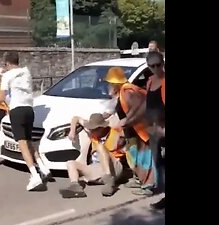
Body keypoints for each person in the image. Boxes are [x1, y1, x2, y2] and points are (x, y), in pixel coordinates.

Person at [0, 51, 52, 191]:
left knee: (22, 144)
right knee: (29, 141)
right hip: (29, 109)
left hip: (17, 110)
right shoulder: (26, 72)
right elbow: (14, 73)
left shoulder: (7, 76)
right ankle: (43, 167)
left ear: (7, 63)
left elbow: (1, 97)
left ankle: (34, 175)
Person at [104, 67, 156, 196]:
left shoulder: (128, 92)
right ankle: (139, 179)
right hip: (132, 131)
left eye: (110, 83)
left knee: (143, 158)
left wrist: (126, 121)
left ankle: (147, 186)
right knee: (133, 157)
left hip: (141, 131)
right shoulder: (122, 92)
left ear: (115, 83)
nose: (108, 86)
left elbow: (139, 109)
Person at [59, 113, 126, 198]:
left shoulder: (116, 133)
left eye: (94, 129)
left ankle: (109, 180)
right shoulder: (93, 133)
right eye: (91, 129)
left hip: (114, 166)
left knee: (100, 147)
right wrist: (72, 131)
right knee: (70, 163)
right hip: (96, 168)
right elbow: (76, 118)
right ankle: (75, 187)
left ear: (102, 127)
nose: (91, 131)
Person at [145, 51, 166, 210]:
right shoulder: (150, 82)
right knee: (158, 163)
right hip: (153, 130)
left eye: (158, 64)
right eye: (152, 66)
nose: (156, 68)